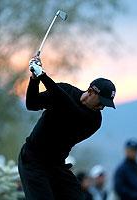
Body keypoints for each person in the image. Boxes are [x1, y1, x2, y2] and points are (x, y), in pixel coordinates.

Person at [18, 56, 116, 200]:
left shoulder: (94, 120)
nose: (102, 106)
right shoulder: (65, 90)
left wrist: (43, 76)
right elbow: (32, 104)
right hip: (33, 160)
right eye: (101, 101)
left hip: (56, 165)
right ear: (90, 91)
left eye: (105, 105)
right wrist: (35, 78)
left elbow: (68, 108)